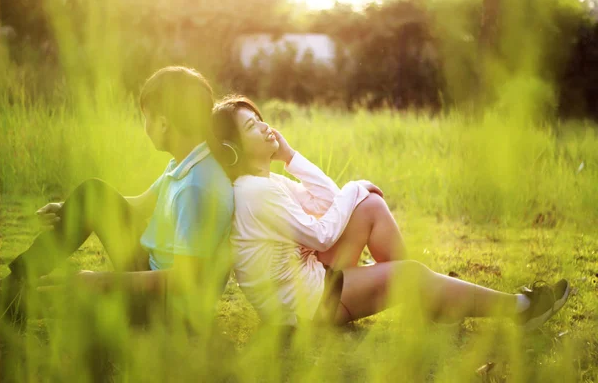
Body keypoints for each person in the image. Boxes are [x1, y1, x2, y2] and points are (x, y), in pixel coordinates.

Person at [208, 95, 570, 329]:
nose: (266, 126)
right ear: (232, 149)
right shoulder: (256, 192)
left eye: (260, 118)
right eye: (252, 126)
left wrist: (291, 158)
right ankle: (519, 310)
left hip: (307, 289)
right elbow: (322, 235)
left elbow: (330, 202)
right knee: (409, 272)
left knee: (370, 207)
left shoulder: (268, 184)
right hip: (304, 311)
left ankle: (429, 307)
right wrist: (355, 186)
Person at [0, 66, 234, 328]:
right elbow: (140, 205)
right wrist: (71, 209)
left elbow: (184, 280)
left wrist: (101, 280)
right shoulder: (187, 160)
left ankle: (11, 300)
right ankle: (15, 280)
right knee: (93, 194)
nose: (145, 126)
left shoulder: (197, 188)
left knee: (67, 293)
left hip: (169, 309)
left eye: (147, 117)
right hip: (148, 267)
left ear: (164, 123)